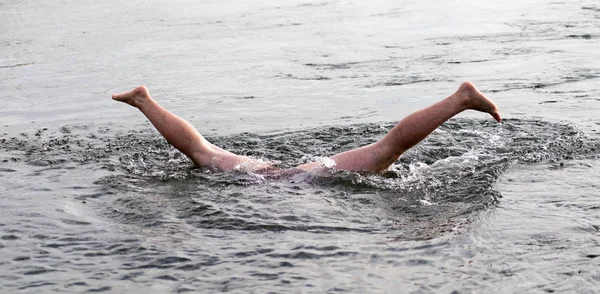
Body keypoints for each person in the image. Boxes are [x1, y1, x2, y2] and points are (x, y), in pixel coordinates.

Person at [112, 82, 501, 174]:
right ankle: (144, 100)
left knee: (202, 152)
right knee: (386, 151)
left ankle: (144, 101)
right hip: (294, 178)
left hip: (277, 176)